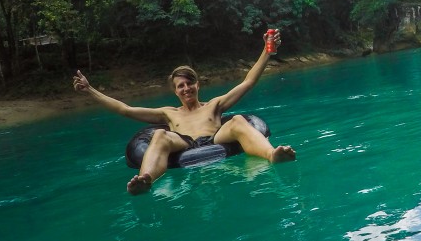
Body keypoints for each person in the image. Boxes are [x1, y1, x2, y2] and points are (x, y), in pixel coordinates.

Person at [73, 30, 296, 195]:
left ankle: (272, 155)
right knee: (160, 135)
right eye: (181, 86)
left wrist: (268, 51)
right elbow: (125, 109)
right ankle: (145, 180)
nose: (186, 88)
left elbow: (248, 82)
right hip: (185, 144)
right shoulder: (169, 113)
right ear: (176, 91)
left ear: (197, 85)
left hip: (216, 138)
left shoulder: (214, 105)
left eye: (189, 84)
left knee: (237, 120)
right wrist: (90, 90)